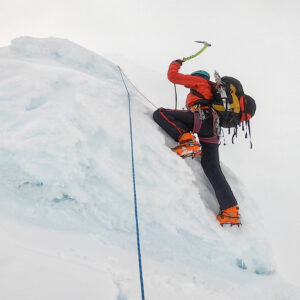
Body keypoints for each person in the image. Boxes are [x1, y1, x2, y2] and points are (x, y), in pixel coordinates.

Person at [153, 59, 240, 226]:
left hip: (201, 119)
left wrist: (175, 63)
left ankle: (187, 142)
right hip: (213, 128)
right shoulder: (213, 90)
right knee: (212, 167)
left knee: (161, 113)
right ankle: (230, 211)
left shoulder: (200, 82)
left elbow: (173, 76)